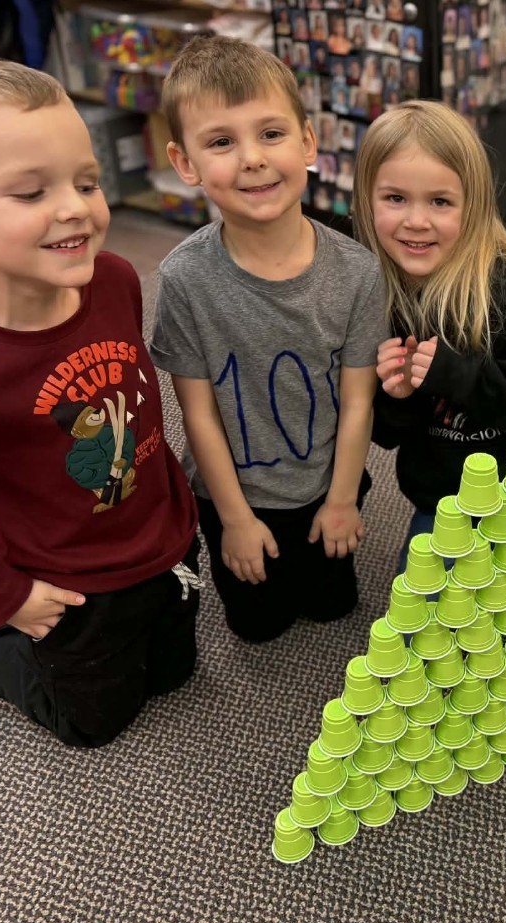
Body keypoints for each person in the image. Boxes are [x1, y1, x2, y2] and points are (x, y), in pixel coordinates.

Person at [0, 50, 201, 748]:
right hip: (65, 591)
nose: (76, 210)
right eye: (30, 194)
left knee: (173, 673)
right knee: (90, 723)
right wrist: (2, 600)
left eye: (86, 182)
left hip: (167, 540)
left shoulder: (115, 278)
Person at [151, 37, 387, 643]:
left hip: (326, 489)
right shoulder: (184, 277)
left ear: (309, 142)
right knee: (259, 630)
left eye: (272, 134)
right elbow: (196, 412)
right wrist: (232, 518)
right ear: (186, 164)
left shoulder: (358, 271)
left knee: (334, 610)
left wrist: (341, 502)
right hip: (235, 498)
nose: (252, 158)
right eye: (222, 142)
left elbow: (359, 400)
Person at [351, 101, 506, 568]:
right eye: (395, 198)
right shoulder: (380, 295)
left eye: (440, 201)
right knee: (426, 625)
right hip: (445, 501)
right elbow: (385, 433)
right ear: (365, 200)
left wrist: (460, 377)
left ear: (474, 205)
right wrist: (400, 397)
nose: (416, 221)